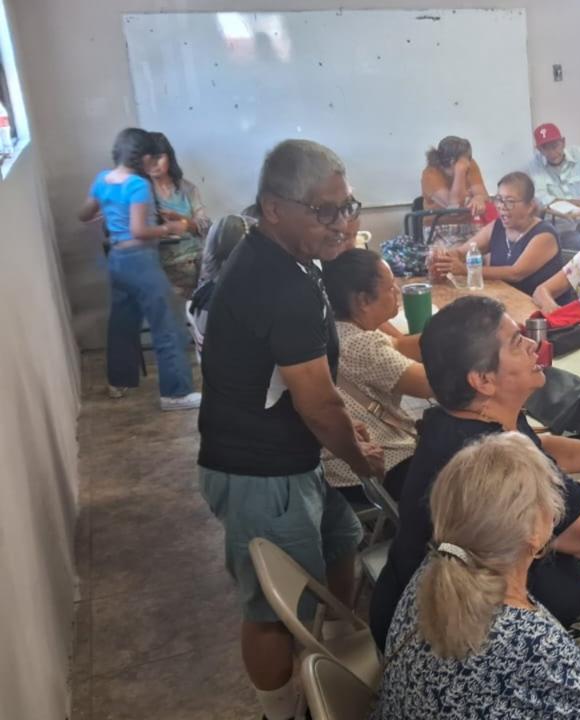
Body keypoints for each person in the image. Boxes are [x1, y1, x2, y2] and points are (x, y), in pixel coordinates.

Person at [370, 295, 580, 650]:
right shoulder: (489, 465)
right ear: (483, 380)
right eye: (516, 342)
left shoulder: (467, 419)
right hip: (454, 643)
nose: (533, 345)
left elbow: (546, 449)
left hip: (426, 611)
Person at [196, 139, 386, 720]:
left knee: (342, 542)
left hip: (290, 459)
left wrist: (345, 428)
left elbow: (313, 388)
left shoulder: (289, 260)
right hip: (259, 473)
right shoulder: (277, 283)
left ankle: (329, 661)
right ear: (274, 208)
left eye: (346, 206)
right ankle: (280, 712)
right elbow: (317, 404)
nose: (341, 222)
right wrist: (359, 456)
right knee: (273, 612)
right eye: (324, 211)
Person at [373, 432, 580, 720]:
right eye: (551, 502)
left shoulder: (435, 569)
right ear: (533, 534)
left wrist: (573, 666)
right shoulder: (534, 639)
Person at [76, 127, 201, 410]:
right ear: (142, 157)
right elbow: (139, 231)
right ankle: (175, 393)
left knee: (122, 322)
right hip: (140, 260)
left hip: (117, 260)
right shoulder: (137, 185)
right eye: (151, 157)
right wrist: (170, 228)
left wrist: (107, 208)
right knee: (167, 324)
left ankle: (118, 381)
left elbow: (83, 214)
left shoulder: (102, 179)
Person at [320, 248, 432, 500]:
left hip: (345, 464)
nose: (397, 292)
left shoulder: (340, 329)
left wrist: (450, 334)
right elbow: (432, 384)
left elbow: (400, 345)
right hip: (375, 468)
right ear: (362, 301)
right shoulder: (361, 345)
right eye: (390, 288)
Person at [431, 171, 569, 301]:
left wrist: (464, 270)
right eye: (499, 200)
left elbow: (515, 273)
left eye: (510, 201)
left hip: (539, 308)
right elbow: (461, 253)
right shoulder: (497, 227)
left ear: (530, 206)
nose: (502, 206)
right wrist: (441, 259)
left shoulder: (544, 235)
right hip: (506, 300)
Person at [381, 135, 495, 276]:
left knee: (492, 255)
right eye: (464, 161)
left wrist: (478, 198)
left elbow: (483, 195)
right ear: (452, 161)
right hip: (440, 228)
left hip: (471, 224)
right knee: (455, 263)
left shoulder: (469, 164)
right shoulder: (430, 174)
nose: (468, 164)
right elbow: (454, 207)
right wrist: (460, 173)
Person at [527, 122, 580, 252]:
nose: (552, 153)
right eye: (545, 148)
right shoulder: (535, 164)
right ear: (539, 149)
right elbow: (542, 198)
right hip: (562, 228)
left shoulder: (577, 153)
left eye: (555, 146)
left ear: (563, 142)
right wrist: (575, 203)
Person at [148, 132, 211, 297]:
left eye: (159, 157)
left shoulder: (187, 189)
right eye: (149, 158)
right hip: (163, 272)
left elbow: (206, 226)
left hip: (198, 265)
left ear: (169, 157)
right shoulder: (141, 193)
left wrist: (183, 221)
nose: (154, 163)